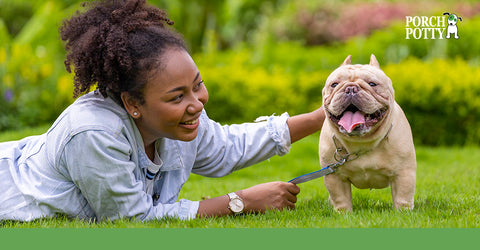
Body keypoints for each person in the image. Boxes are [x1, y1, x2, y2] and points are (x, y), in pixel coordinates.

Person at [0, 0, 325, 221]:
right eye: (176, 97)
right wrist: (240, 202)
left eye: (197, 85)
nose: (196, 103)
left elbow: (228, 148)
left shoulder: (182, 118)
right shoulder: (93, 132)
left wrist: (322, 116)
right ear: (132, 104)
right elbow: (132, 218)